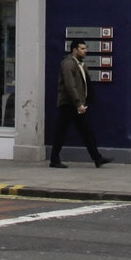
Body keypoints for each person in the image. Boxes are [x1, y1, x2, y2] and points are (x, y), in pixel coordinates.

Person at [49, 39, 107, 168]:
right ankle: (54, 160)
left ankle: (97, 158)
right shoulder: (69, 64)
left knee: (86, 131)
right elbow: (70, 86)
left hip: (76, 104)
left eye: (85, 48)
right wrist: (78, 103)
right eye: (82, 48)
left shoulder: (80, 64)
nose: (85, 50)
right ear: (74, 50)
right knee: (62, 132)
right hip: (69, 105)